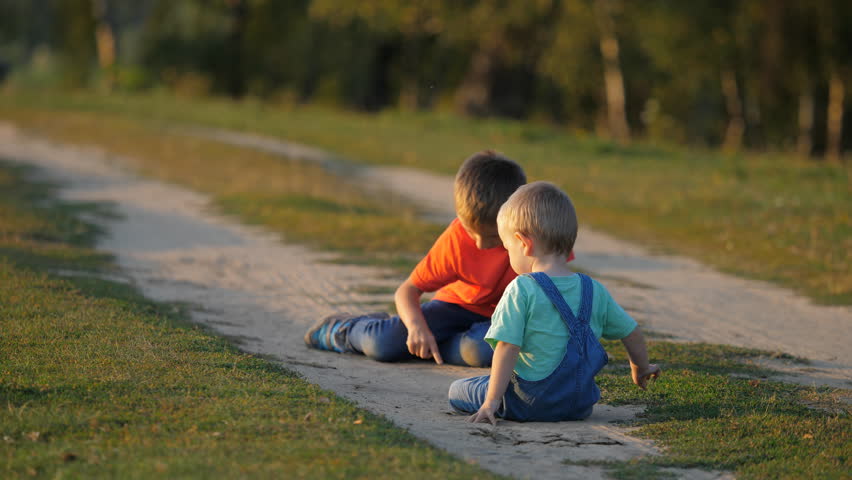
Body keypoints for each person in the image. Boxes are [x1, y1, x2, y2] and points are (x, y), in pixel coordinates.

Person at [304, 150, 542, 366]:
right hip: (453, 308)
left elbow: (552, 286)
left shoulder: (537, 237)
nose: (480, 244)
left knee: (481, 350)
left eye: (492, 236)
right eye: (471, 232)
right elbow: (407, 291)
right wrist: (418, 329)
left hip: (502, 318)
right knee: (383, 345)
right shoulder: (456, 239)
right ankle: (345, 329)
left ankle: (434, 348)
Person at [448, 181, 661, 423]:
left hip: (526, 404)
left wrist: (492, 401)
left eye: (508, 249)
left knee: (457, 389)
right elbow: (631, 331)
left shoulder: (522, 288)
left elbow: (507, 347)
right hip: (578, 405)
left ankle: (492, 397)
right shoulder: (594, 290)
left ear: (524, 243)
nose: (508, 256)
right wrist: (641, 367)